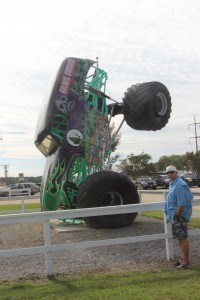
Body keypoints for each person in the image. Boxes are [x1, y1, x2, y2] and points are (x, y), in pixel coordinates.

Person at [164, 165, 193, 269]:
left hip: (179, 216)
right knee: (180, 239)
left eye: (172, 172)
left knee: (182, 239)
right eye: (168, 172)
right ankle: (183, 259)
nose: (169, 174)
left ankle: (185, 262)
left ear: (176, 172)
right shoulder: (173, 184)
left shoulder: (180, 185)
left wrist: (176, 216)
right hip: (175, 216)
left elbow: (182, 204)